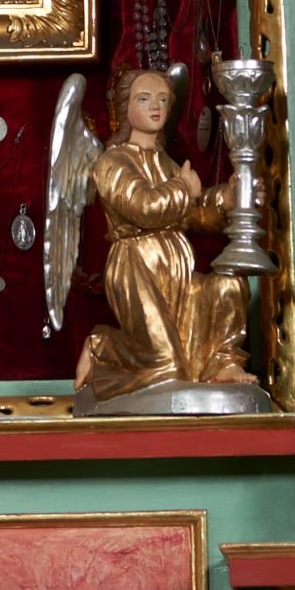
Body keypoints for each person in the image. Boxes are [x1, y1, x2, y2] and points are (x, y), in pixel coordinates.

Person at [68, 70, 251, 400]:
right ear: (125, 107)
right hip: (137, 266)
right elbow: (144, 207)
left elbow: (191, 213)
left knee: (228, 285)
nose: (155, 106)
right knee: (165, 367)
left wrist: (225, 199)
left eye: (163, 99)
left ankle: (223, 363)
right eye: (144, 99)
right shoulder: (112, 162)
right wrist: (182, 187)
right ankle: (102, 346)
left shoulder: (166, 162)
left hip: (177, 266)